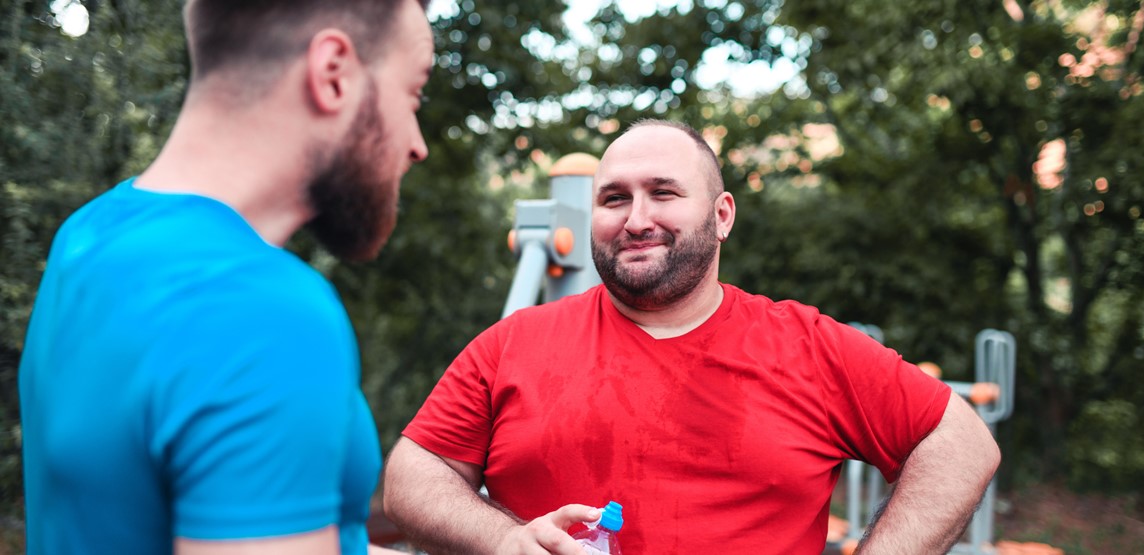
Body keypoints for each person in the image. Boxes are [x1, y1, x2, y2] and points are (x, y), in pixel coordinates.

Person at [381, 119, 1001, 554]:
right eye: (614, 198)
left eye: (664, 193)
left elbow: (961, 445)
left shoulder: (809, 345)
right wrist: (502, 540)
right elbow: (416, 471)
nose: (637, 219)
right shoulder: (512, 343)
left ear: (722, 215)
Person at [18, 1, 433, 554]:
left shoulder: (88, 235)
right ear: (333, 73)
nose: (417, 143)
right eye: (413, 96)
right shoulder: (262, 312)